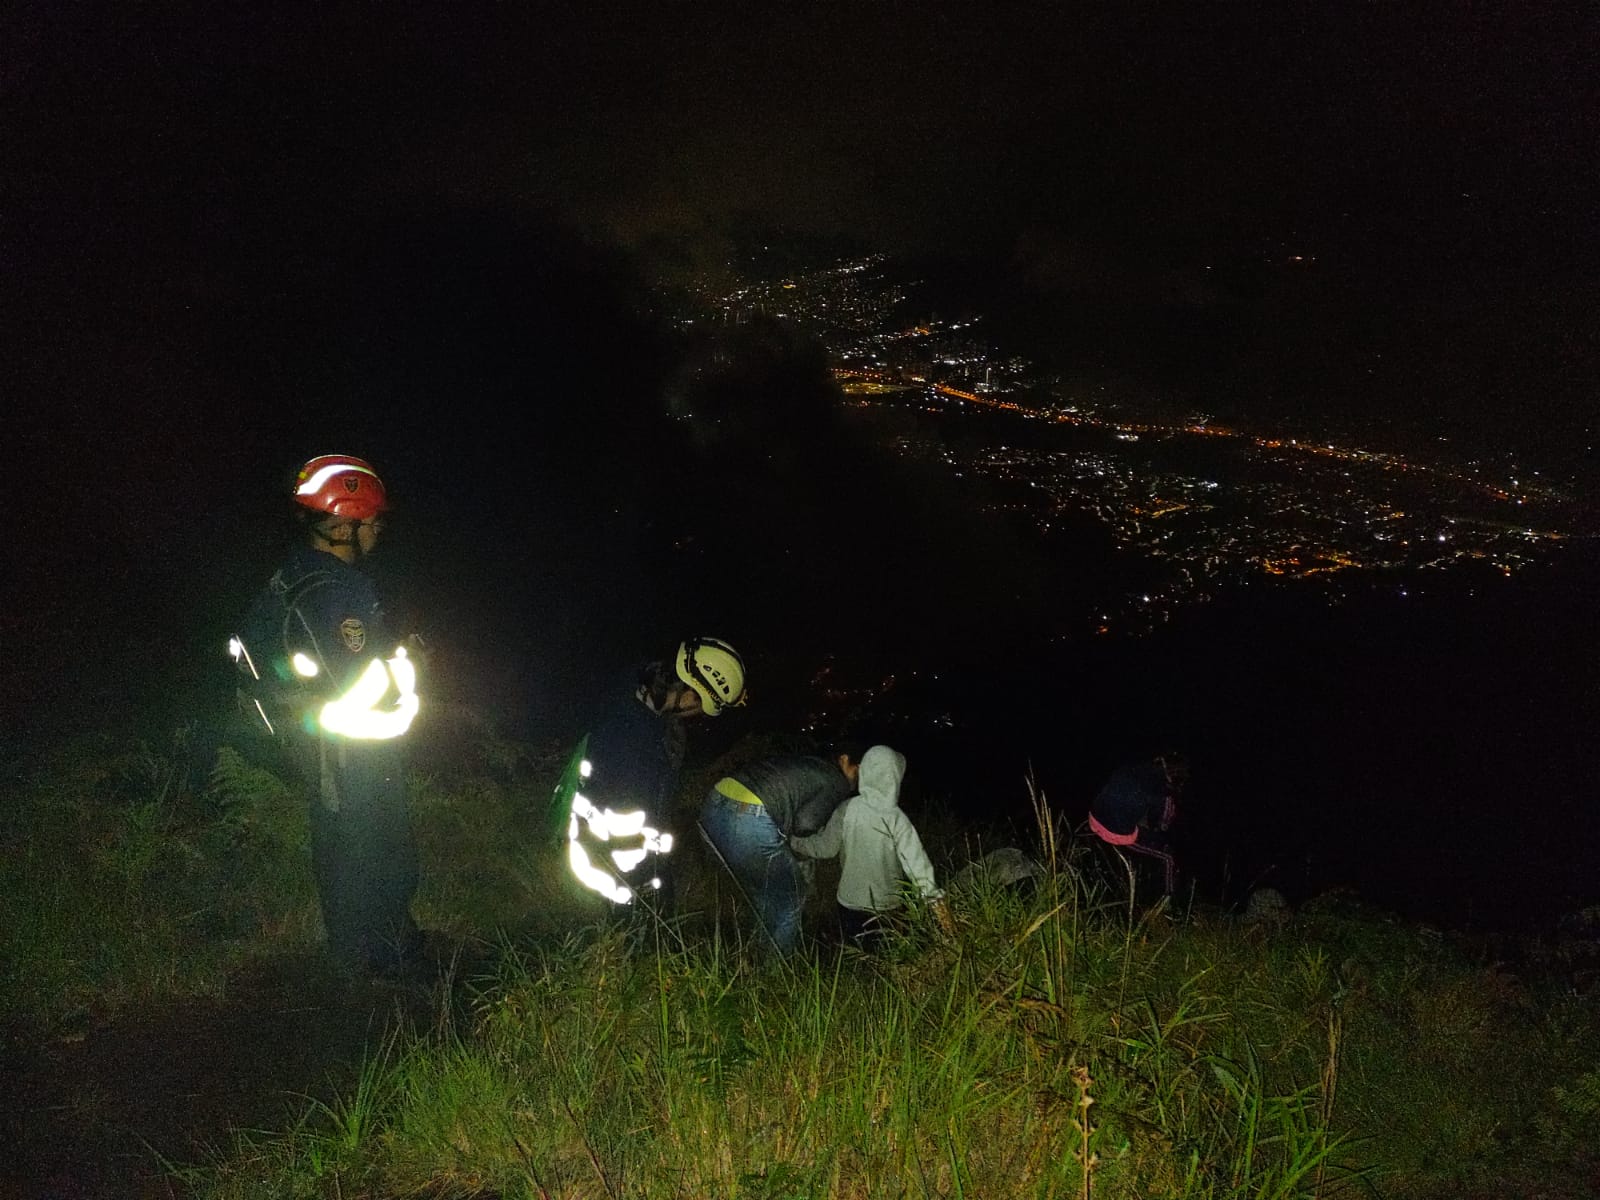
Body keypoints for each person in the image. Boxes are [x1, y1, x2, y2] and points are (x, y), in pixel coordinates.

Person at [231, 454, 424, 976]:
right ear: (344, 524)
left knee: (352, 850)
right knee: (374, 852)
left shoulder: (298, 577)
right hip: (349, 749)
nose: (378, 532)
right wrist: (403, 671)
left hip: (326, 747)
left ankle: (374, 954)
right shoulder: (333, 593)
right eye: (372, 522)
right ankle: (377, 973)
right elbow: (358, 680)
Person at [556, 637, 747, 907]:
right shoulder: (637, 738)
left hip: (598, 855)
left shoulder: (630, 693)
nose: (694, 715)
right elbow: (628, 818)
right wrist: (647, 884)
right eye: (699, 708)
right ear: (691, 695)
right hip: (610, 873)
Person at [697, 746, 860, 953]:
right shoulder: (837, 781)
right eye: (857, 769)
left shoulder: (812, 764)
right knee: (791, 897)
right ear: (844, 760)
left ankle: (756, 956)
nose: (858, 777)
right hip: (749, 817)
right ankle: (774, 971)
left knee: (767, 894)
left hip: (715, 805)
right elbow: (805, 824)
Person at [789, 744, 952, 946]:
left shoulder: (847, 809)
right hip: (887, 907)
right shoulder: (897, 819)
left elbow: (825, 848)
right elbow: (918, 866)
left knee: (856, 955)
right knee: (886, 957)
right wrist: (937, 905)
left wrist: (795, 842)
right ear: (894, 776)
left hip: (849, 902)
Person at [1086, 752, 1190, 904]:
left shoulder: (1132, 766)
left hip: (1094, 816)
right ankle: (1168, 902)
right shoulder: (1165, 795)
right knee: (1168, 857)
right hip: (1114, 832)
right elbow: (1163, 825)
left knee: (1135, 813)